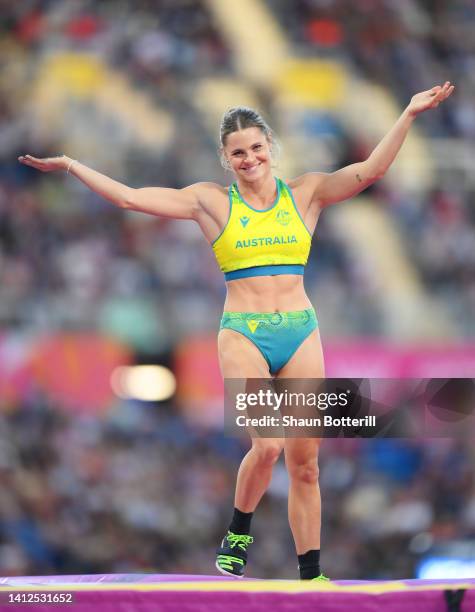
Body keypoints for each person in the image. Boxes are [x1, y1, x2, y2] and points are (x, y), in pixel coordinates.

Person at [18, 81, 454, 580]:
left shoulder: (306, 194)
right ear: (226, 160)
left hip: (300, 331)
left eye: (256, 148)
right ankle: (238, 531)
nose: (249, 159)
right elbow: (131, 199)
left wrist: (408, 114)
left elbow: (372, 170)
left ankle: (311, 572)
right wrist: (72, 165)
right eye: (238, 153)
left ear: (271, 148)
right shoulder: (211, 203)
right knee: (267, 445)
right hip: (244, 332)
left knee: (306, 463)